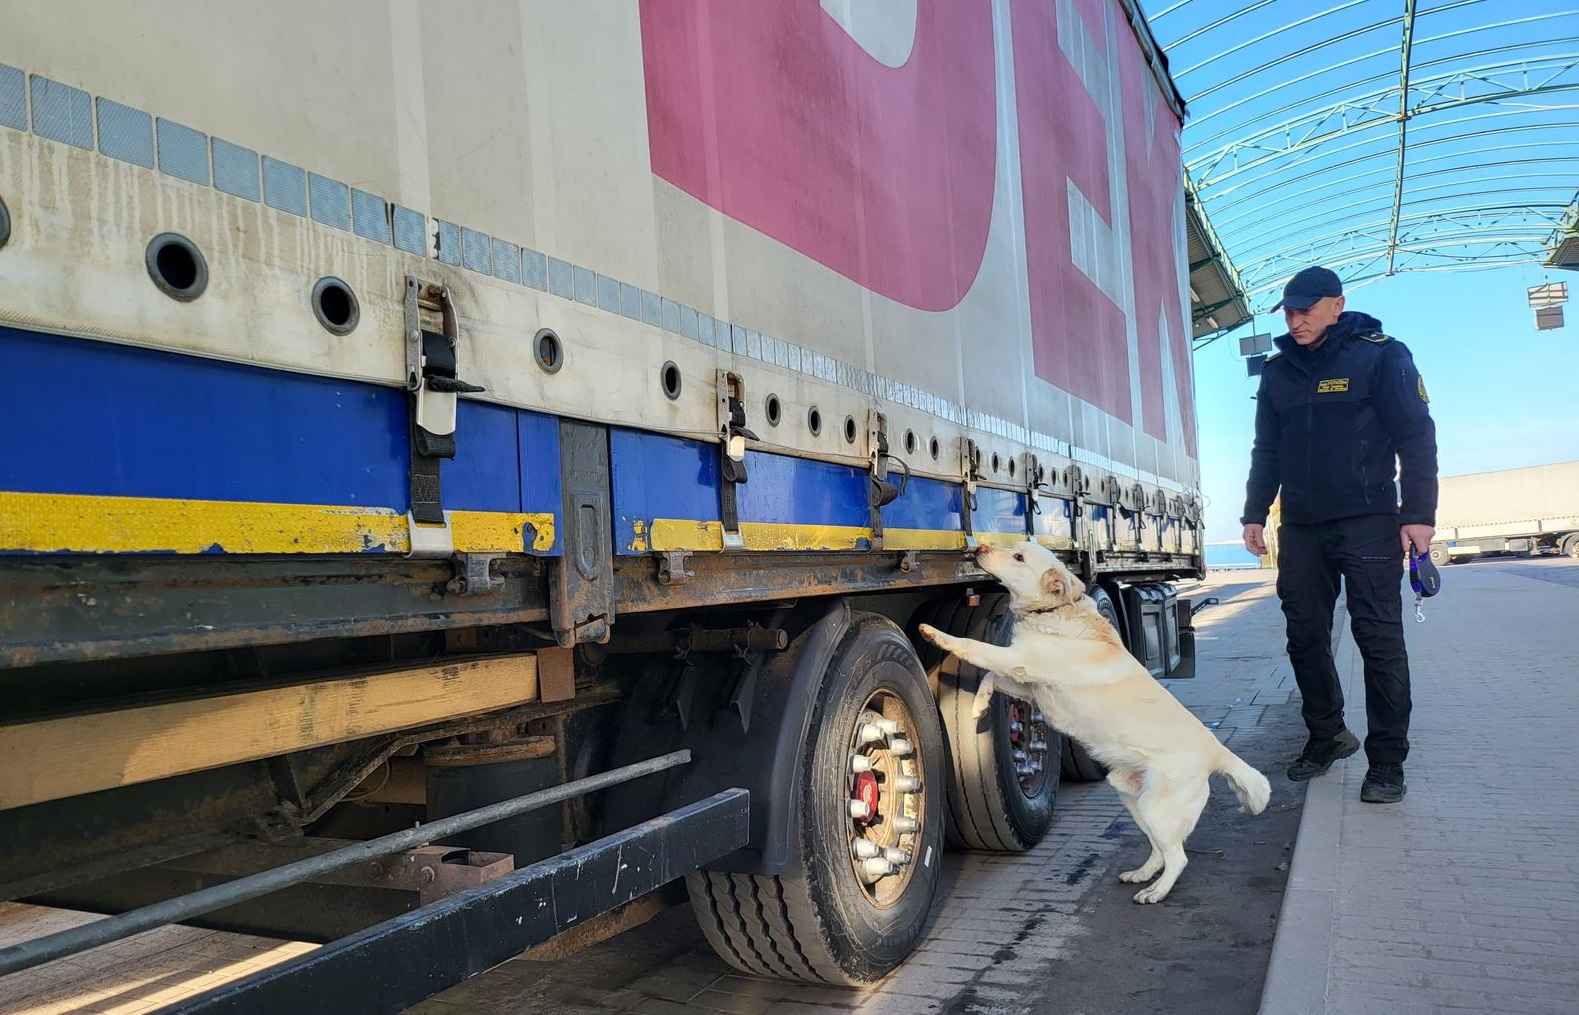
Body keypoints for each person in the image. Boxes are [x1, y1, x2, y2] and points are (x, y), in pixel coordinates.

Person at [1240, 266, 1437, 803]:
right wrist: (1255, 512)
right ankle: (1327, 734)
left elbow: (1416, 434)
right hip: (1301, 526)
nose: (1295, 320)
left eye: (1307, 310)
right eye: (1288, 311)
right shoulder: (1278, 372)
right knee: (1303, 633)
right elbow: (1267, 450)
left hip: (1369, 520)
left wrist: (1418, 513)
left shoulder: (1381, 355)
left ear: (1337, 305)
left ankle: (1388, 763)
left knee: (1378, 639)